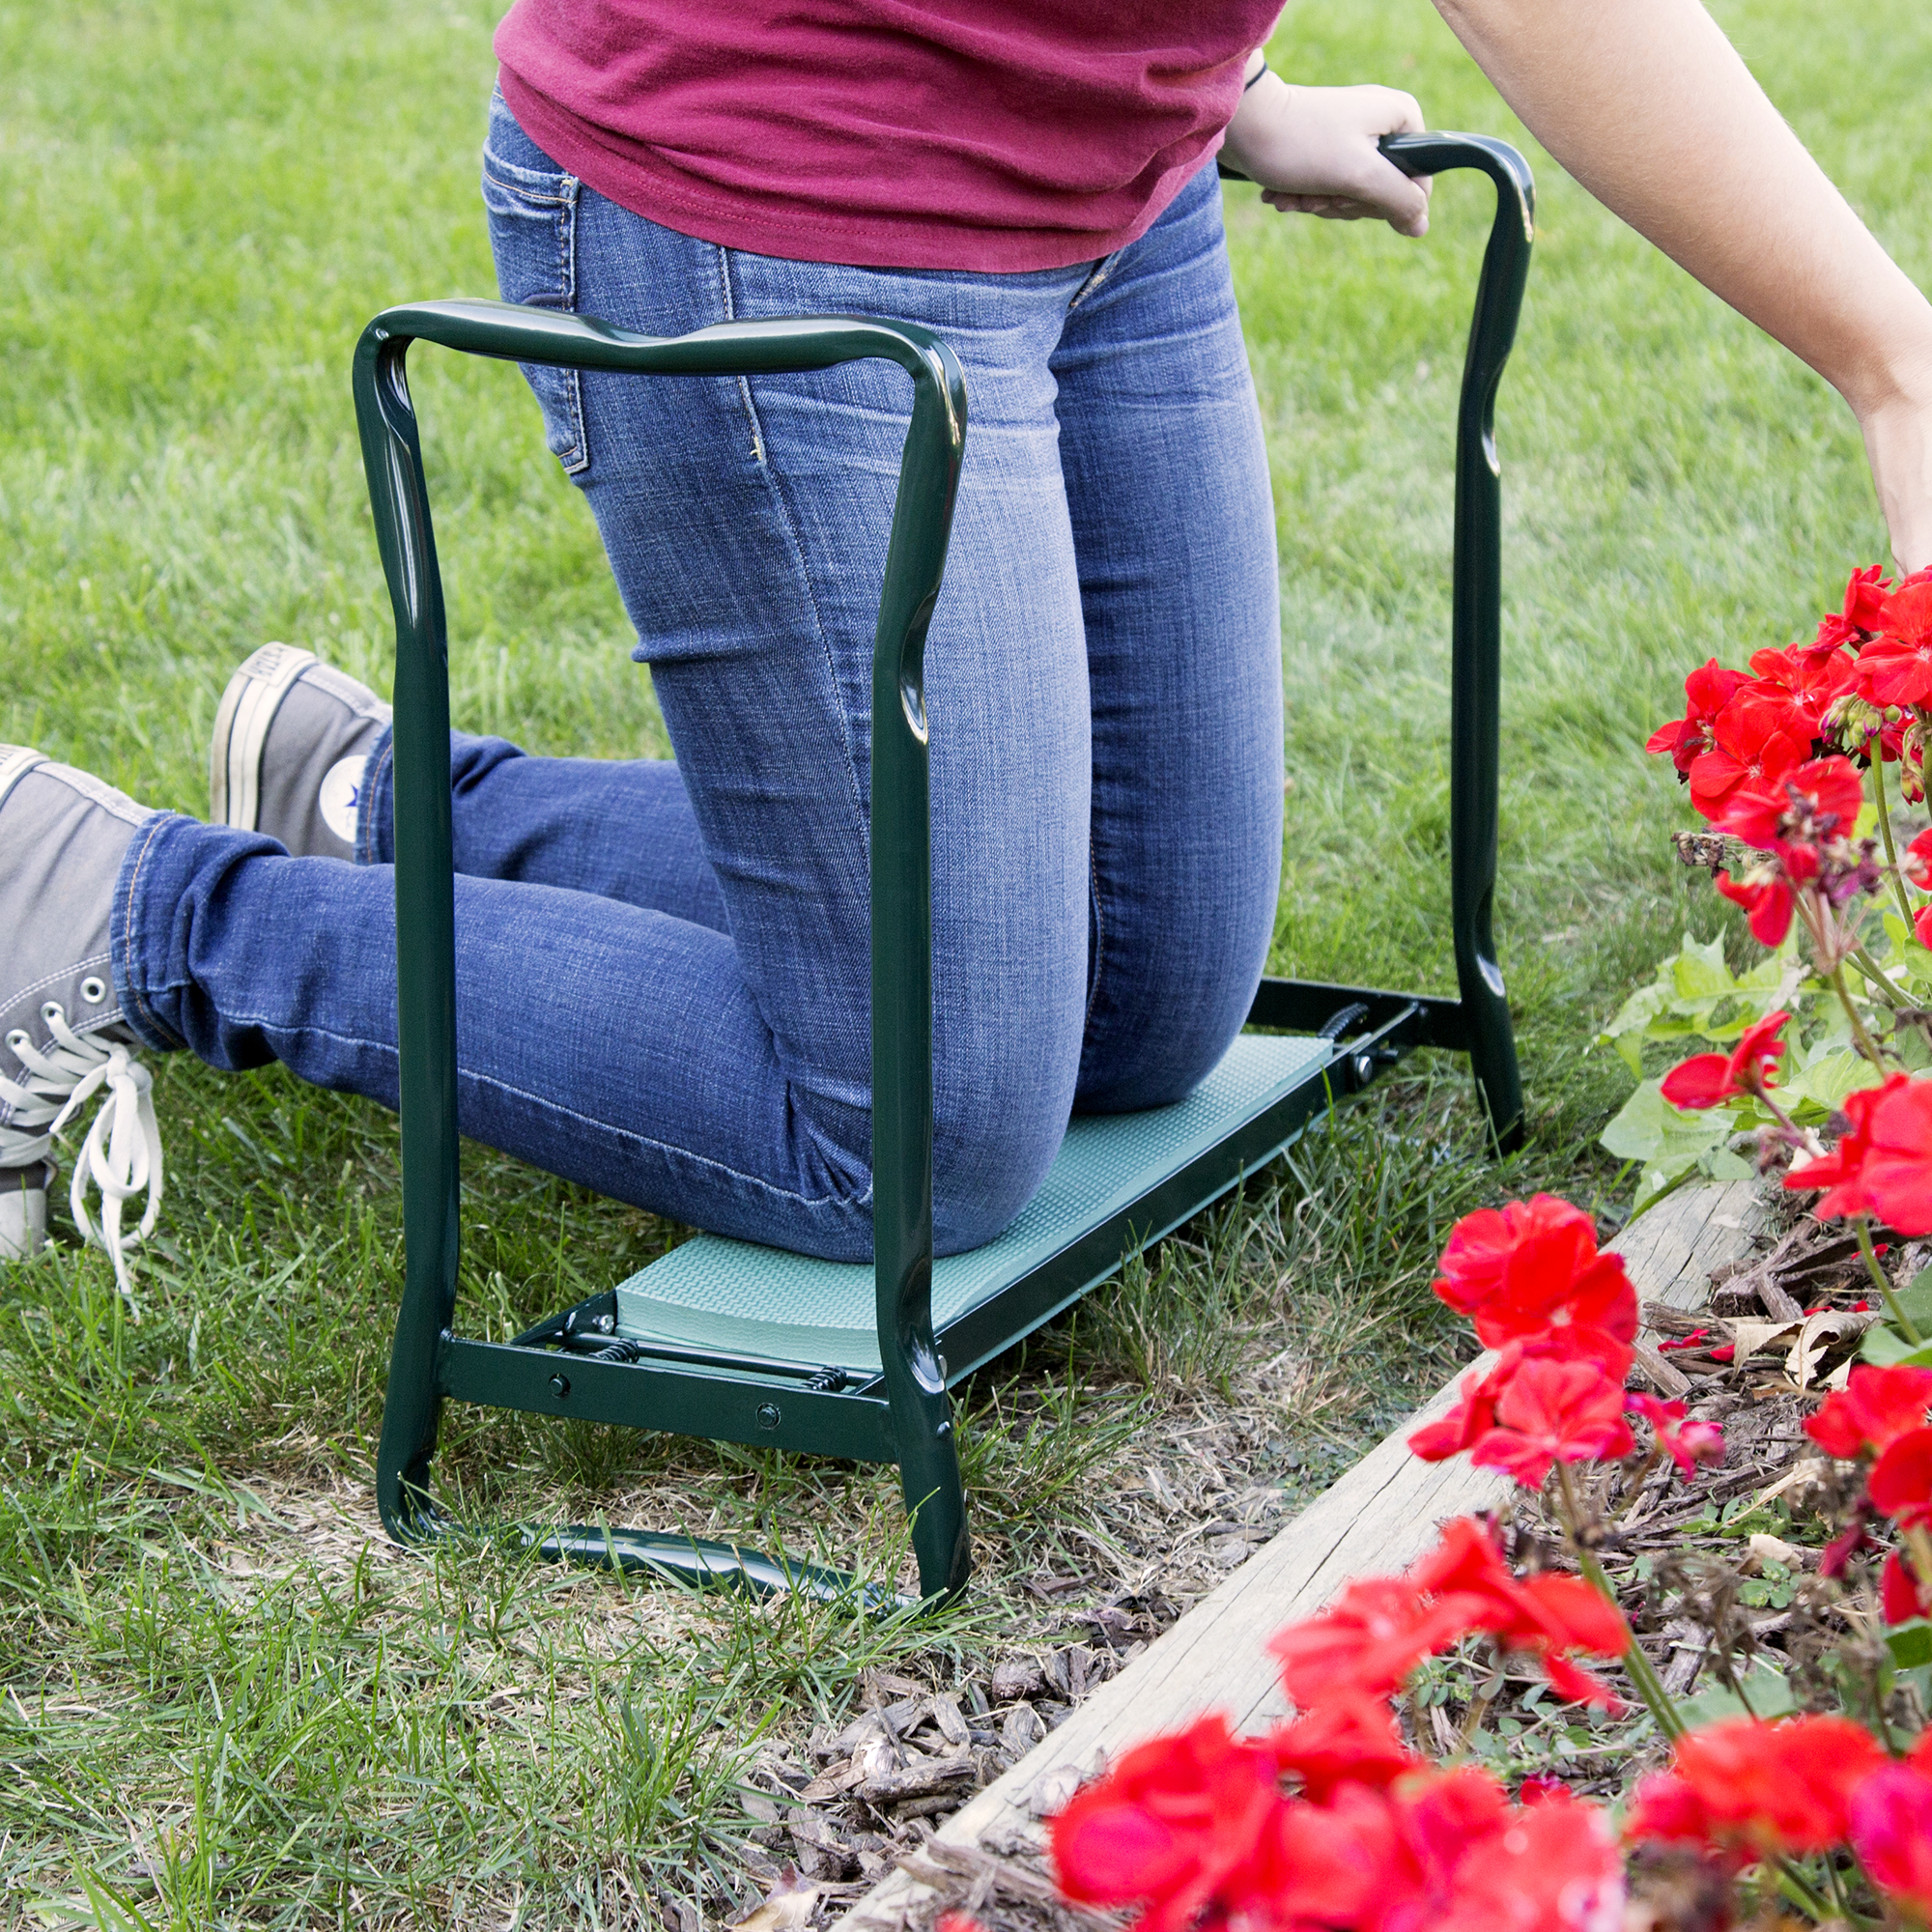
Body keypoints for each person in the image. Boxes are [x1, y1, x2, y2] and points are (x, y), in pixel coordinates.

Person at [3, 0, 1929, 1295]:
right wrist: (1891, 366)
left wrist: (1219, 91)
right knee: (913, 1141)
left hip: (1105, 186)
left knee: (1152, 994)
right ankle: (137, 908)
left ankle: (387, 800)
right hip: (785, 200)